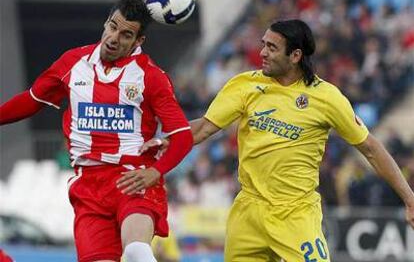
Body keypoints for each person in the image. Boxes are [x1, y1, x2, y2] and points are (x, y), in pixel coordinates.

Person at [143, 19, 414, 261]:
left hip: (295, 214)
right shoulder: (245, 85)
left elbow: (370, 148)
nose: (262, 53)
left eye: (272, 48)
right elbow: (202, 128)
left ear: (295, 55)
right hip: (248, 212)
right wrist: (165, 142)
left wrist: (409, 198)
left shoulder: (326, 98)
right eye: (263, 45)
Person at [0, 0, 193, 262]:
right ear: (105, 23)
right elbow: (32, 100)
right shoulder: (72, 63)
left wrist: (155, 172)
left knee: (137, 251)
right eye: (112, 27)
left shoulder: (151, 77)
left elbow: (182, 137)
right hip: (88, 186)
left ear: (138, 42)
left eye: (126, 35)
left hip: (132, 177)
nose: (114, 38)